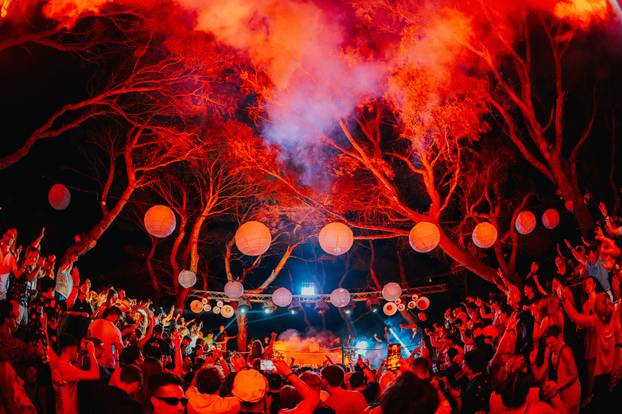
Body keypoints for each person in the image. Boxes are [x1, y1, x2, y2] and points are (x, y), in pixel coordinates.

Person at [48, 334, 100, 414]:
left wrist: (82, 352)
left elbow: (77, 368)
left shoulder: (59, 364)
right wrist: (92, 352)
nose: (77, 352)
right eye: (76, 349)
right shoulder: (66, 368)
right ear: (70, 349)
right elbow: (95, 375)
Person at [87, 305, 124, 370]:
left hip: (89, 359)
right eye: (119, 318)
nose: (118, 320)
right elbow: (121, 350)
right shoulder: (115, 330)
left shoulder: (94, 322)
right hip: (103, 365)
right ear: (116, 316)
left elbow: (87, 337)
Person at [460, 350, 491, 414]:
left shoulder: (476, 385)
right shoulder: (481, 378)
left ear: (470, 367)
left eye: (463, 364)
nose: (461, 366)